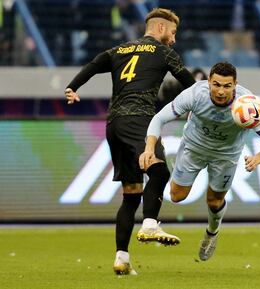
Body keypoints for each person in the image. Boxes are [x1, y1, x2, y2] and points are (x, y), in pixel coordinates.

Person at [65, 7, 195, 275]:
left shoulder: (118, 50)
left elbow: (92, 66)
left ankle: (121, 258)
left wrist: (72, 87)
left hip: (114, 124)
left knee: (131, 193)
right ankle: (150, 223)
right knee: (159, 171)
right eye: (172, 32)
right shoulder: (164, 52)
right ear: (159, 28)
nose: (173, 39)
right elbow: (190, 85)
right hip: (140, 119)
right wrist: (200, 104)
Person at [139, 62, 260, 261]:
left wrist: (259, 157)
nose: (221, 91)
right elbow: (159, 119)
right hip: (193, 149)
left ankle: (212, 233)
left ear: (235, 85)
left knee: (214, 201)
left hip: (226, 156)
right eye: (216, 85)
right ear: (208, 82)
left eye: (226, 86)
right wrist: (148, 148)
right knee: (177, 196)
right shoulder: (195, 94)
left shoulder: (248, 104)